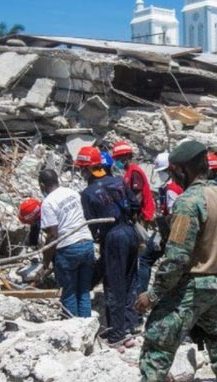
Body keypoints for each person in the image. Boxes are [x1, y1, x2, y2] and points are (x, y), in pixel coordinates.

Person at [135, 140, 217, 382]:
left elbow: (177, 258)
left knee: (157, 343)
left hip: (193, 286)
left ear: (182, 170)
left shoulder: (188, 203)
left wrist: (152, 295)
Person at [75, 146, 141, 347]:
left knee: (113, 285)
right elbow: (135, 206)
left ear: (86, 170)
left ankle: (116, 335)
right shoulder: (119, 181)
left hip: (112, 237)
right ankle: (131, 326)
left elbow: (92, 223)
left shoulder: (88, 193)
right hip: (130, 233)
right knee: (130, 280)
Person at [38, 169, 95, 318]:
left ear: (42, 185)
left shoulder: (48, 203)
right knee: (84, 291)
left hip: (68, 248)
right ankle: (85, 328)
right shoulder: (73, 193)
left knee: (69, 293)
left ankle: (72, 329)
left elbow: (52, 235)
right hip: (87, 243)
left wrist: (45, 263)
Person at [137, 152, 184, 295]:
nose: (160, 175)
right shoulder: (174, 186)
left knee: (145, 260)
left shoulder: (171, 190)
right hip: (170, 231)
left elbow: (173, 215)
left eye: (163, 171)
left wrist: (164, 236)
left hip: (169, 232)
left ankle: (141, 293)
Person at [112, 140, 156, 222]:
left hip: (142, 214)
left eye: (118, 159)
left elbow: (138, 196)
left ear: (126, 157)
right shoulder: (129, 172)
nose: (116, 162)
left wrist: (132, 212)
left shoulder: (134, 172)